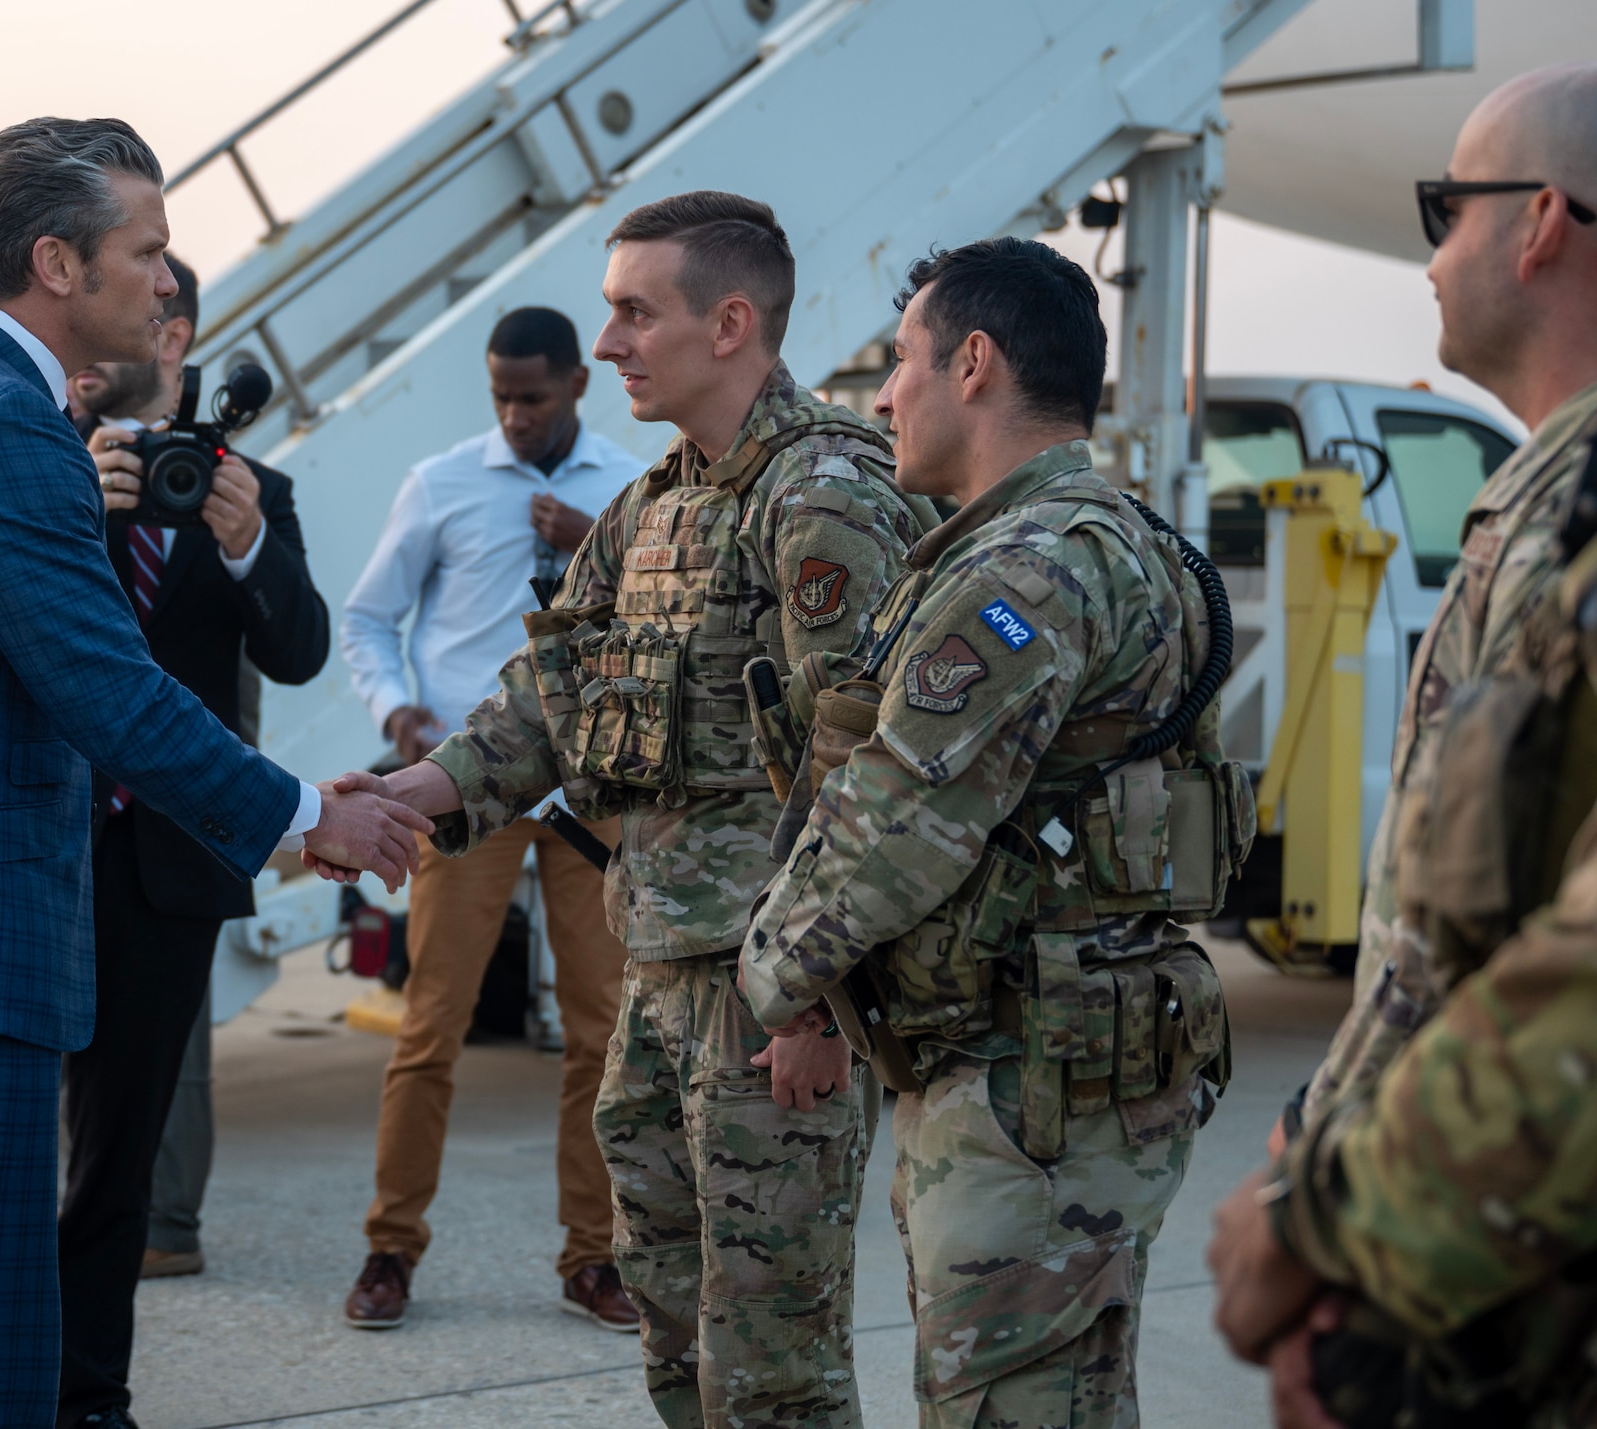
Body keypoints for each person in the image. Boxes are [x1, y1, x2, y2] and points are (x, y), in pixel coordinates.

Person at [0, 117, 429, 1428]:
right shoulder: (5, 430)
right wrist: (308, 816)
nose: (169, 283)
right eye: (145, 251)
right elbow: (107, 691)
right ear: (57, 262)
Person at [317, 191, 933, 1428]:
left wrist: (819, 999)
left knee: (773, 1358)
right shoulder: (654, 506)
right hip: (657, 979)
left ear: (730, 324)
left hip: (769, 1007)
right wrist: (408, 794)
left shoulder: (823, 497)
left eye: (632, 312)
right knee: (671, 1328)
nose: (606, 346)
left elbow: (878, 766)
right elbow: (541, 697)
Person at [741, 235, 1243, 1429]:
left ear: (972, 364)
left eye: (902, 359)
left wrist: (767, 977)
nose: (881, 395)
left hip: (1026, 1084)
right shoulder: (1117, 538)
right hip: (1074, 1062)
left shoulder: (1020, 572)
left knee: (1003, 1406)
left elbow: (899, 819)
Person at [1207, 61, 1597, 1425]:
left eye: (1448, 205)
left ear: (1542, 222)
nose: (1430, 254)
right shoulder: (1542, 502)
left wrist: (1330, 1228)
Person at [56, 254, 330, 1429]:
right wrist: (82, 495)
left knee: (120, 1157)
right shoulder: (58, 463)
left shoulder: (253, 483)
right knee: (0, 1146)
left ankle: (91, 1396)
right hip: (44, 845)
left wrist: (244, 544)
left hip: (165, 864)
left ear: (183, 336)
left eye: (159, 315)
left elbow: (302, 650)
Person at [334, 307, 644, 1331]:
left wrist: (596, 539)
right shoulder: (442, 482)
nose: (515, 416)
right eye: (501, 397)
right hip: (466, 785)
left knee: (601, 1037)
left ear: (576, 388)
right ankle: (389, 1249)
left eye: (534, 397)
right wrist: (395, 712)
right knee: (431, 1025)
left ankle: (592, 1259)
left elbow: (669, 627)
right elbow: (368, 615)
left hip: (586, 794)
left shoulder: (633, 488)